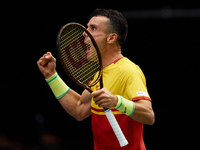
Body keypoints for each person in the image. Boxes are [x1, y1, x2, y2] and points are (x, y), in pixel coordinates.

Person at [37, 8, 155, 150]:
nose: (84, 33)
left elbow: (148, 115)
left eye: (93, 28)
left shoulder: (128, 70)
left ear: (111, 38)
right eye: (87, 27)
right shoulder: (98, 74)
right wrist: (51, 76)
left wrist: (117, 101)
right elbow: (79, 109)